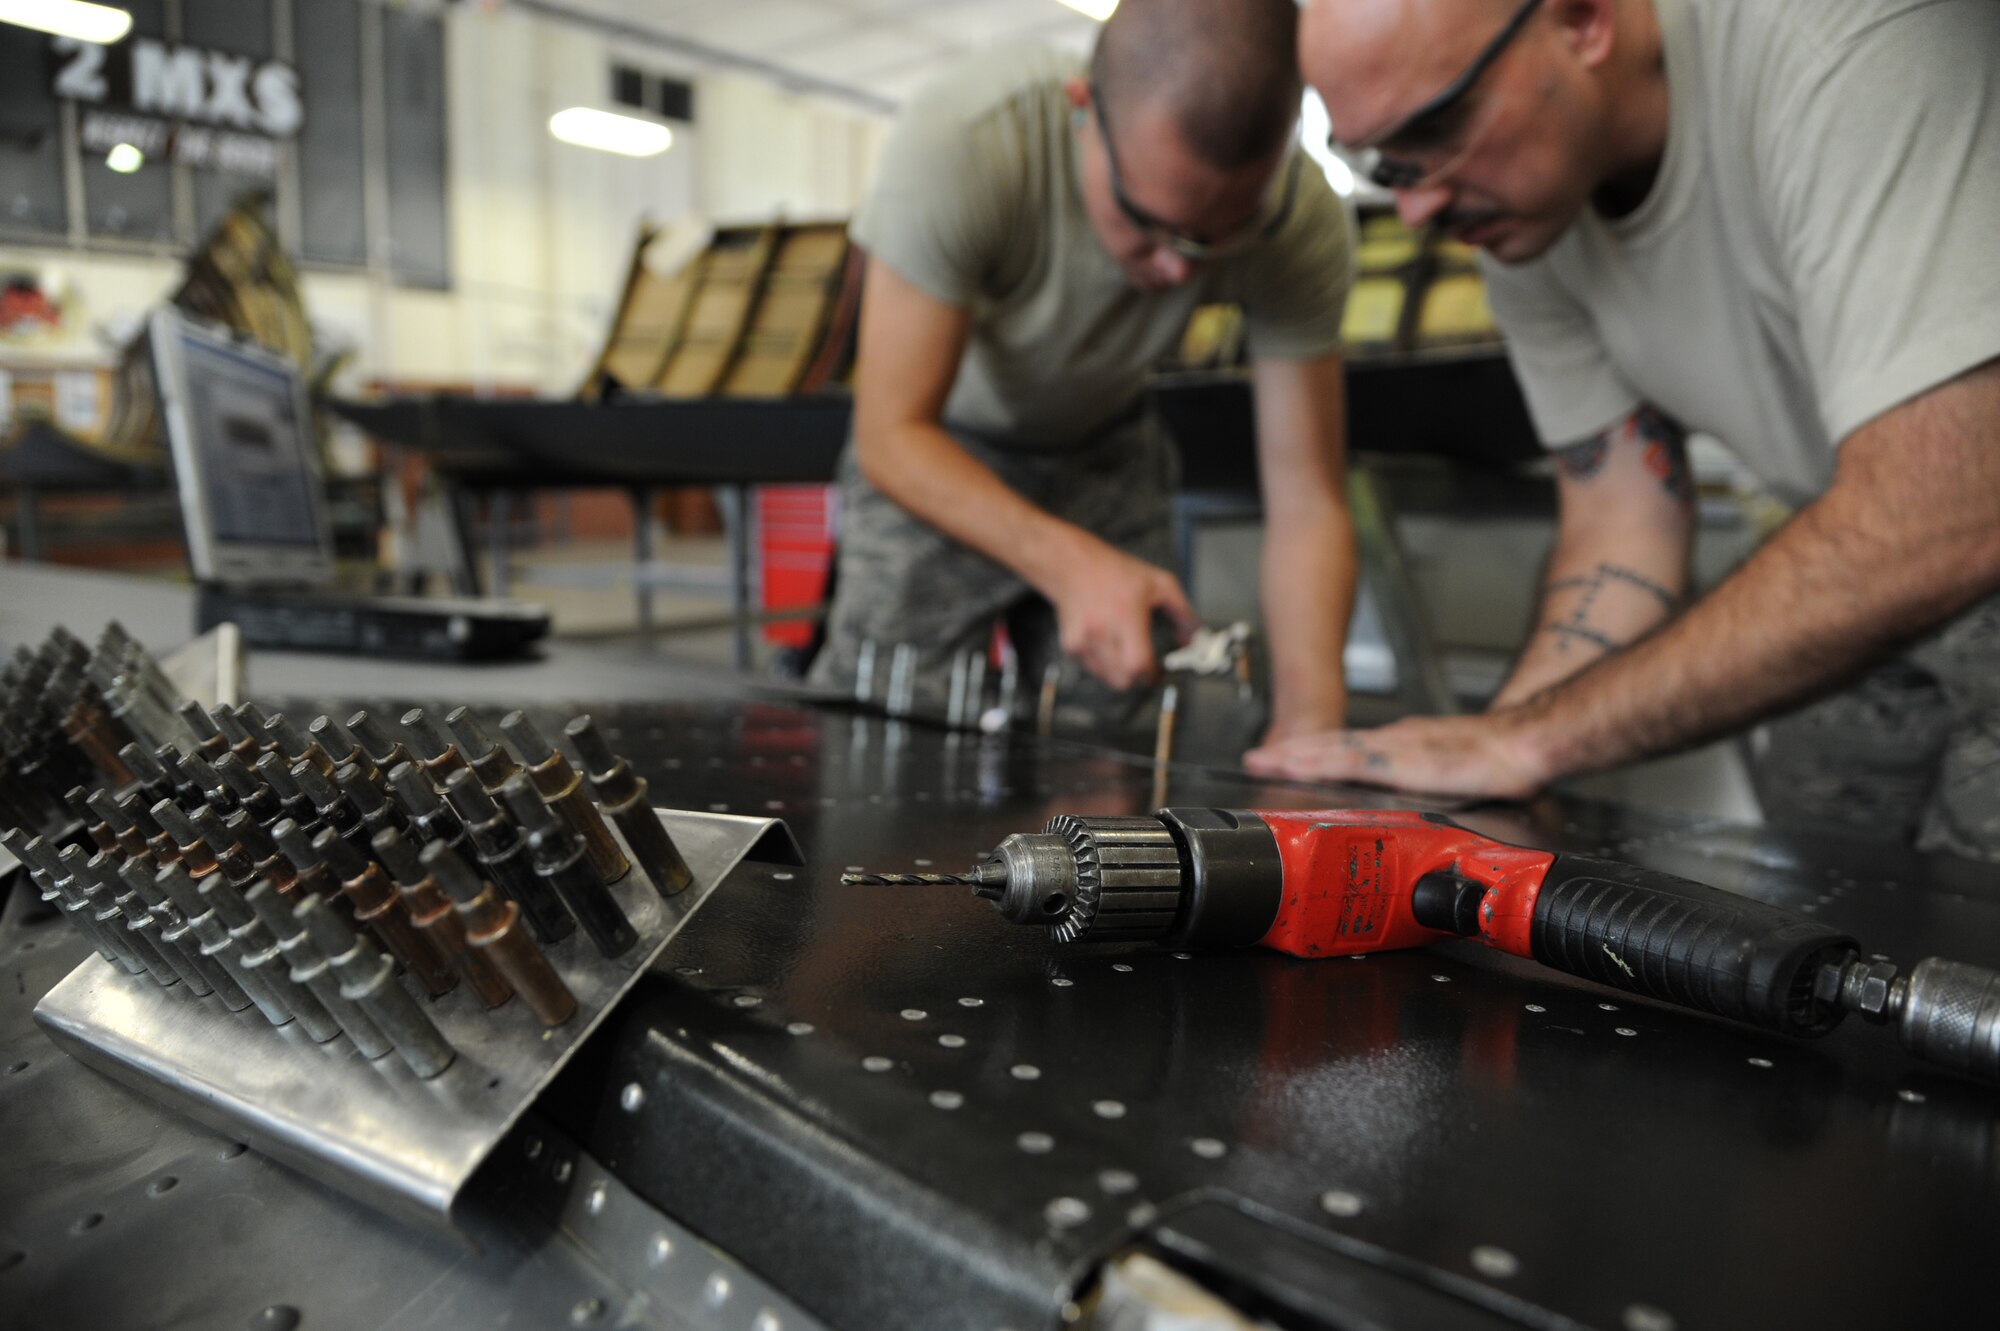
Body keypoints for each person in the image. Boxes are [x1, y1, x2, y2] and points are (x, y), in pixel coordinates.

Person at [1256, 0, 2000, 858]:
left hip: (1955, 527)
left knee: (1961, 944)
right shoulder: (1523, 213)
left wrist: (1538, 739)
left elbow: (1944, 504)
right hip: (1875, 554)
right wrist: (1491, 752)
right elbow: (1624, 525)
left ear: (1582, 19)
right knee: (1825, 901)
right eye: (1385, 162)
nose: (1417, 208)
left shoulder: (1845, 44)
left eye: (1437, 128)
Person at [808, 0, 1359, 746]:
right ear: (1082, 111)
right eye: (1148, 221)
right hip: (941, 457)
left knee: (1119, 748)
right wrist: (1068, 563)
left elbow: (1307, 499)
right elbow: (891, 433)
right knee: (886, 732)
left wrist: (1310, 727)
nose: (1176, 268)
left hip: (1107, 450)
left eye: (1219, 237)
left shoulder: (1299, 221)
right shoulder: (967, 140)